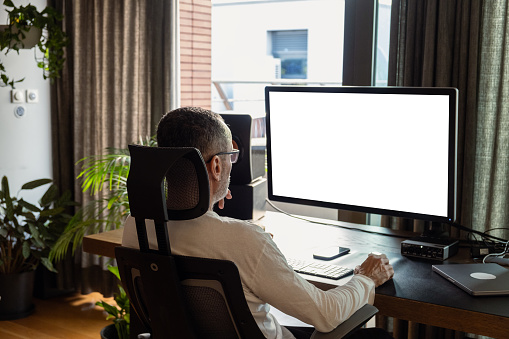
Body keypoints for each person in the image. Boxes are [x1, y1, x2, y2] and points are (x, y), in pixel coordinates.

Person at [122, 107, 395, 339]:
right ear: (216, 166)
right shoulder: (242, 240)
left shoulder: (136, 228)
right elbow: (325, 314)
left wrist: (225, 223)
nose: (232, 164)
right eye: (232, 156)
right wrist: (365, 278)